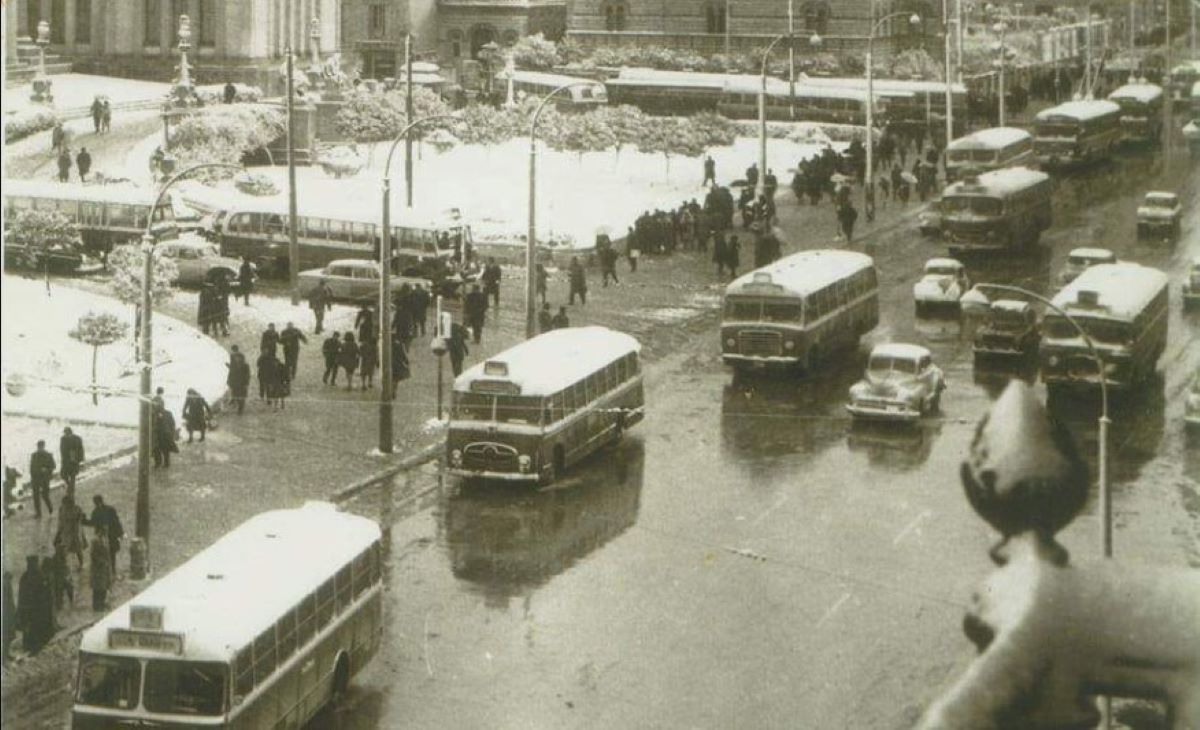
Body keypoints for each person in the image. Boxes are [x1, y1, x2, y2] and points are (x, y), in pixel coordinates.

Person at [17, 556, 53, 654]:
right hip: (36, 607)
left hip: (29, 607)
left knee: (30, 627)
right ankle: (34, 645)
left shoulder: (25, 576)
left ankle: (29, 645)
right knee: (35, 626)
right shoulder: (38, 575)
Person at [82, 495, 123, 579]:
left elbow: (116, 522)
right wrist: (83, 520)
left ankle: (113, 572)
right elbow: (93, 523)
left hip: (110, 536)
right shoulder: (98, 511)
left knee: (111, 554)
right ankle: (108, 573)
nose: (96, 505)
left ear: (100, 502)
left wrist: (120, 534)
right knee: (105, 555)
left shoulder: (109, 510)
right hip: (102, 537)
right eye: (95, 503)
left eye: (97, 503)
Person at [54, 494, 87, 570]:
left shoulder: (76, 509)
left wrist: (77, 529)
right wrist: (59, 532)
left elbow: (80, 520)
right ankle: (63, 565)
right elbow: (60, 521)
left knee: (78, 549)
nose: (65, 505)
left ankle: (81, 564)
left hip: (75, 532)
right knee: (64, 549)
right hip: (66, 532)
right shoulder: (61, 509)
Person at [29, 441, 55, 518]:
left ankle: (50, 507)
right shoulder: (34, 455)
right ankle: (38, 513)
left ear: (43, 446)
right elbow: (31, 467)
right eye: (39, 447)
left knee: (45, 495)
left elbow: (53, 466)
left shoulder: (48, 455)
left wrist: (46, 469)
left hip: (44, 479)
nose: (40, 448)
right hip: (36, 479)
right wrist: (32, 477)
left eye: (41, 447)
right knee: (36, 496)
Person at [89, 529, 112, 611]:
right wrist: (101, 562)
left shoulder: (106, 539)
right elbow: (93, 555)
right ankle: (97, 605)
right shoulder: (95, 541)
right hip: (98, 569)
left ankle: (101, 604)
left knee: (103, 587)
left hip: (104, 568)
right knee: (98, 588)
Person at [59, 427, 84, 498]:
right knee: (63, 475)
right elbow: (61, 450)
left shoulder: (77, 438)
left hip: (74, 461)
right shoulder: (63, 439)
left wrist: (80, 459)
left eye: (66, 432)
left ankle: (71, 490)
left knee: (73, 476)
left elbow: (81, 449)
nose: (65, 434)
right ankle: (70, 486)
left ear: (69, 432)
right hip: (66, 461)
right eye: (65, 432)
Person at [227, 347, 251, 415]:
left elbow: (247, 375)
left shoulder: (245, 366)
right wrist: (229, 380)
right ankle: (239, 405)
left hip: (242, 384)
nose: (237, 360)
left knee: (242, 396)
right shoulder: (233, 366)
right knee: (236, 395)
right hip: (235, 383)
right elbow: (231, 373)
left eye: (238, 359)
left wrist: (246, 383)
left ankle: (241, 409)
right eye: (236, 359)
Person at [3, 570, 15, 665]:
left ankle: (6, 654)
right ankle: (4, 656)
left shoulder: (7, 585)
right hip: (5, 615)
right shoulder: (4, 586)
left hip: (9, 613)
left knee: (9, 635)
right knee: (6, 636)